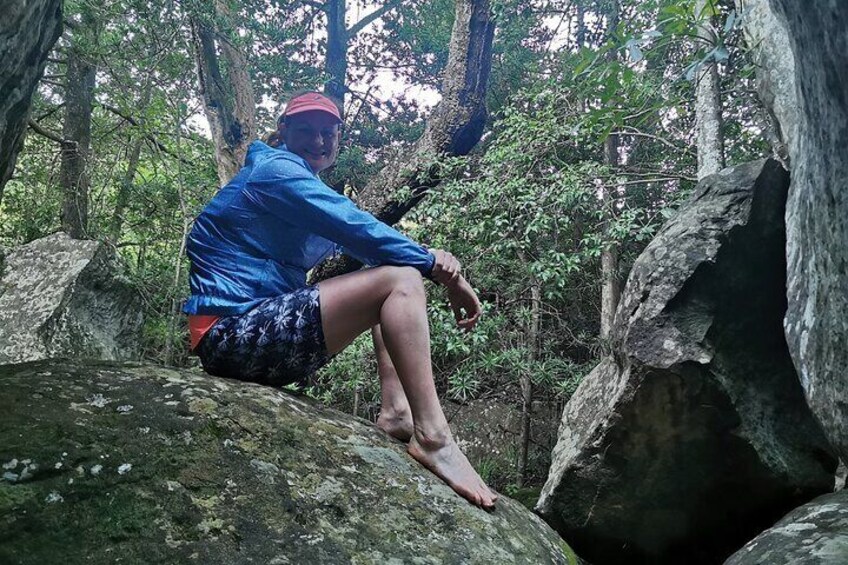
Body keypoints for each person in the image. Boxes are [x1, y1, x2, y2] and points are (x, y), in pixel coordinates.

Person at [184, 91, 497, 509]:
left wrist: (441, 263)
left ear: (338, 138)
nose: (318, 141)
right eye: (306, 131)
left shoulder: (306, 188)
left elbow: (371, 247)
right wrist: (433, 268)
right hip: (230, 334)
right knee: (399, 280)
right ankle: (434, 437)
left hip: (254, 335)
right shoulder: (276, 170)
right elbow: (356, 227)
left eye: (327, 133)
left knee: (388, 282)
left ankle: (398, 413)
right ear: (283, 132)